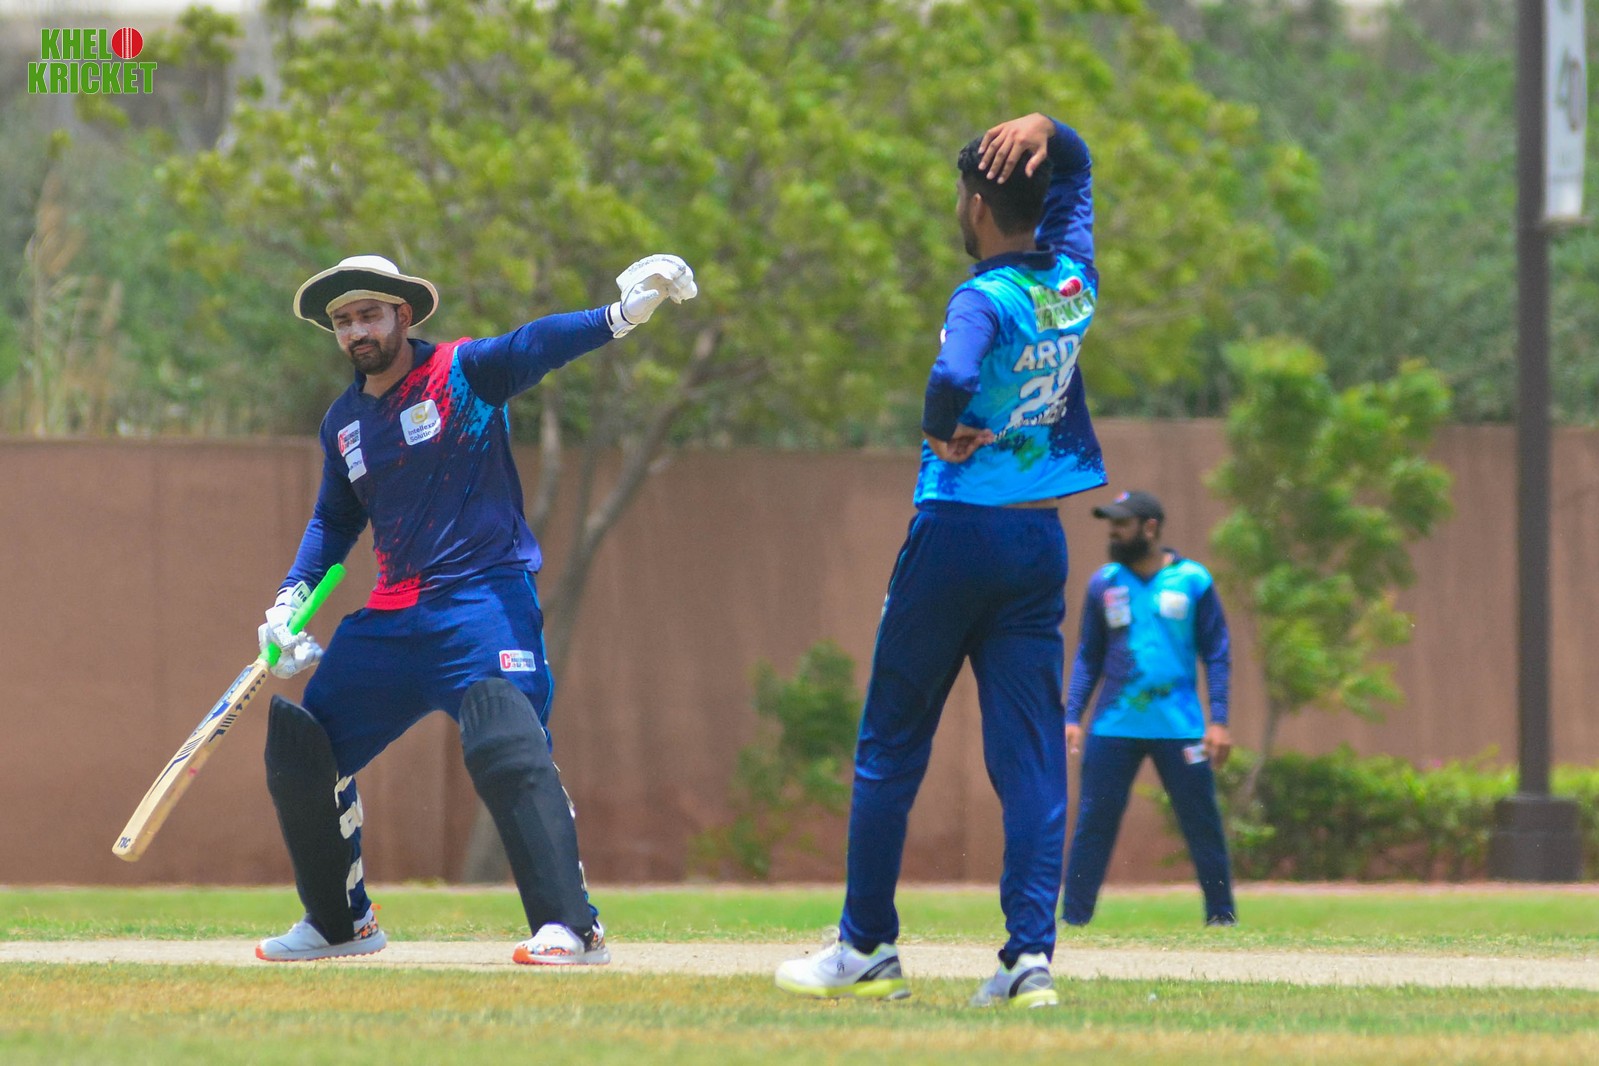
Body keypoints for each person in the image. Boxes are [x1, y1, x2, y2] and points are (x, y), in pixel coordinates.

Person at [252, 251, 697, 963]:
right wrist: (288, 603)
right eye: (343, 321)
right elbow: (333, 521)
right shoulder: (343, 423)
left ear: (403, 315)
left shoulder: (463, 373)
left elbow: (533, 344)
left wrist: (615, 317)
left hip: (482, 599)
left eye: (369, 314)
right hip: (394, 619)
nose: (356, 331)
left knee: (502, 737)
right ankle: (341, 924)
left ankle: (572, 928)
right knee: (303, 748)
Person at [775, 111, 1106, 1009]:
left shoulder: (981, 298)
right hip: (1037, 542)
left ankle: (866, 947)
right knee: (1030, 758)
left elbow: (954, 376)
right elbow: (1078, 181)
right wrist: (1051, 130)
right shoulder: (1073, 282)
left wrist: (938, 427)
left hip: (957, 535)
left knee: (891, 745)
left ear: (976, 206)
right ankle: (1028, 960)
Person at [1061, 489, 1237, 927]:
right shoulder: (1105, 583)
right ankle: (1075, 920)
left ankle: (1222, 918)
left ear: (1150, 527)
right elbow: (1088, 655)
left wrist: (1219, 720)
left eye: (1122, 524)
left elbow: (1216, 652)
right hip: (1113, 727)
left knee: (1202, 823)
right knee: (1093, 823)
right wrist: (1072, 716)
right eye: (1111, 524)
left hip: (1181, 727)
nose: (1113, 532)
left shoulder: (1193, 579)